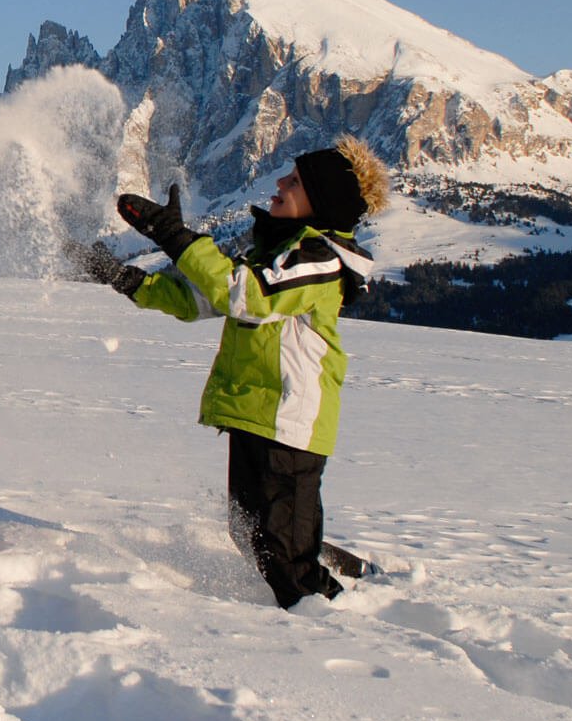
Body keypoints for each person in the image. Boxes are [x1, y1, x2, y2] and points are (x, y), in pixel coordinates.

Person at [80, 137, 390, 609]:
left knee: (282, 561)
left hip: (289, 420)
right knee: (251, 535)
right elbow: (199, 300)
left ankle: (335, 622)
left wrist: (176, 237)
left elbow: (242, 296)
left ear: (321, 203)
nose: (281, 182)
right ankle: (325, 562)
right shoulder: (279, 253)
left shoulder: (317, 259)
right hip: (255, 412)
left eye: (296, 181)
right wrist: (128, 280)